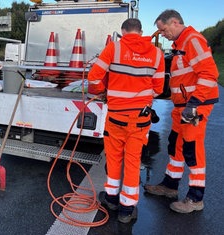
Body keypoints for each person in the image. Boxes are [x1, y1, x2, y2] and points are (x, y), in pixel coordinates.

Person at [88, 18, 165, 223]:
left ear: (123, 31)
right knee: (133, 162)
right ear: (140, 31)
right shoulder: (157, 54)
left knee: (113, 159)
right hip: (140, 120)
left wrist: (103, 91)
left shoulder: (114, 48)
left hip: (115, 117)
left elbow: (94, 79)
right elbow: (158, 88)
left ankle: (111, 198)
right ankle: (127, 209)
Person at [144, 10, 219, 213]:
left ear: (175, 22)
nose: (162, 34)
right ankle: (170, 185)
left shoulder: (192, 40)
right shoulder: (180, 44)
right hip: (182, 106)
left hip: (195, 105)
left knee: (192, 149)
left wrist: (193, 103)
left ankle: (195, 198)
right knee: (175, 145)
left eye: (163, 29)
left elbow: (210, 73)